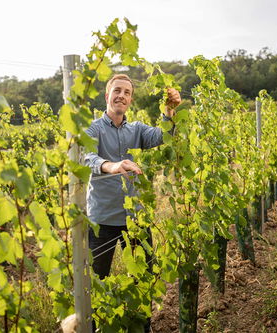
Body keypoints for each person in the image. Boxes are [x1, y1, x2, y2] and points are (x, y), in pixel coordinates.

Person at [84, 73, 181, 331]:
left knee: (143, 278)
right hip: (102, 221)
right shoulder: (94, 129)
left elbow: (162, 137)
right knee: (96, 281)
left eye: (127, 93)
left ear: (130, 100)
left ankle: (141, 327)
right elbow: (85, 157)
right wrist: (113, 165)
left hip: (135, 219)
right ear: (107, 96)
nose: (122, 96)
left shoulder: (137, 130)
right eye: (117, 91)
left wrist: (169, 111)